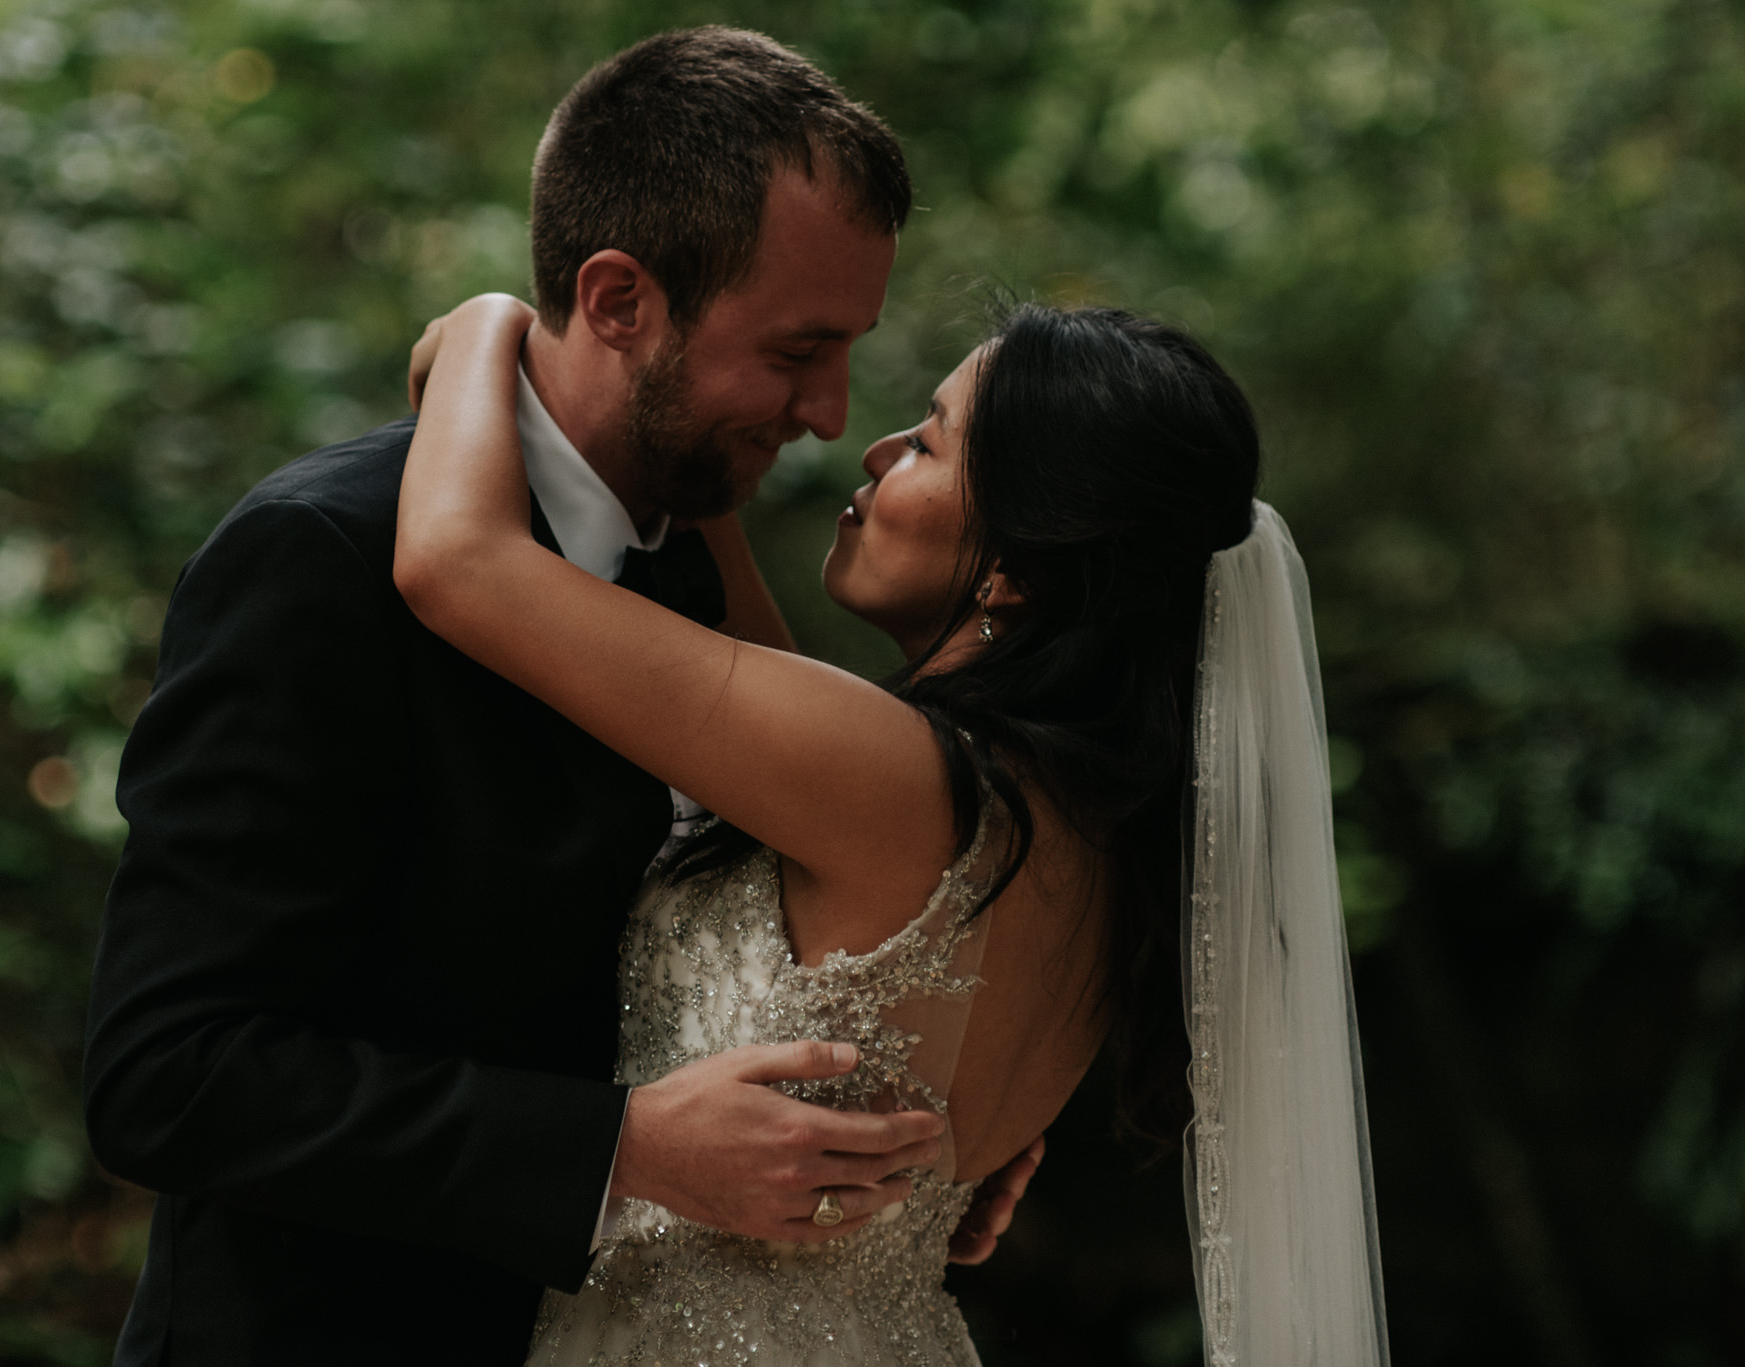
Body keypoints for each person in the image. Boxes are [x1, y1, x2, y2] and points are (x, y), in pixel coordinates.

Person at [81, 28, 1036, 1367]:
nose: (829, 414)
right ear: (620, 298)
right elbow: (167, 1078)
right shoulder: (322, 558)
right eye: (795, 350)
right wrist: (623, 1147)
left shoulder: (702, 571)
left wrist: (936, 1113)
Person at [397, 293, 1391, 1364]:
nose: (871, 450)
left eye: (923, 440)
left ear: (1011, 566)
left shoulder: (890, 779)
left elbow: (456, 562)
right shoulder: (1088, 845)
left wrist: (484, 323)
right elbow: (733, 620)